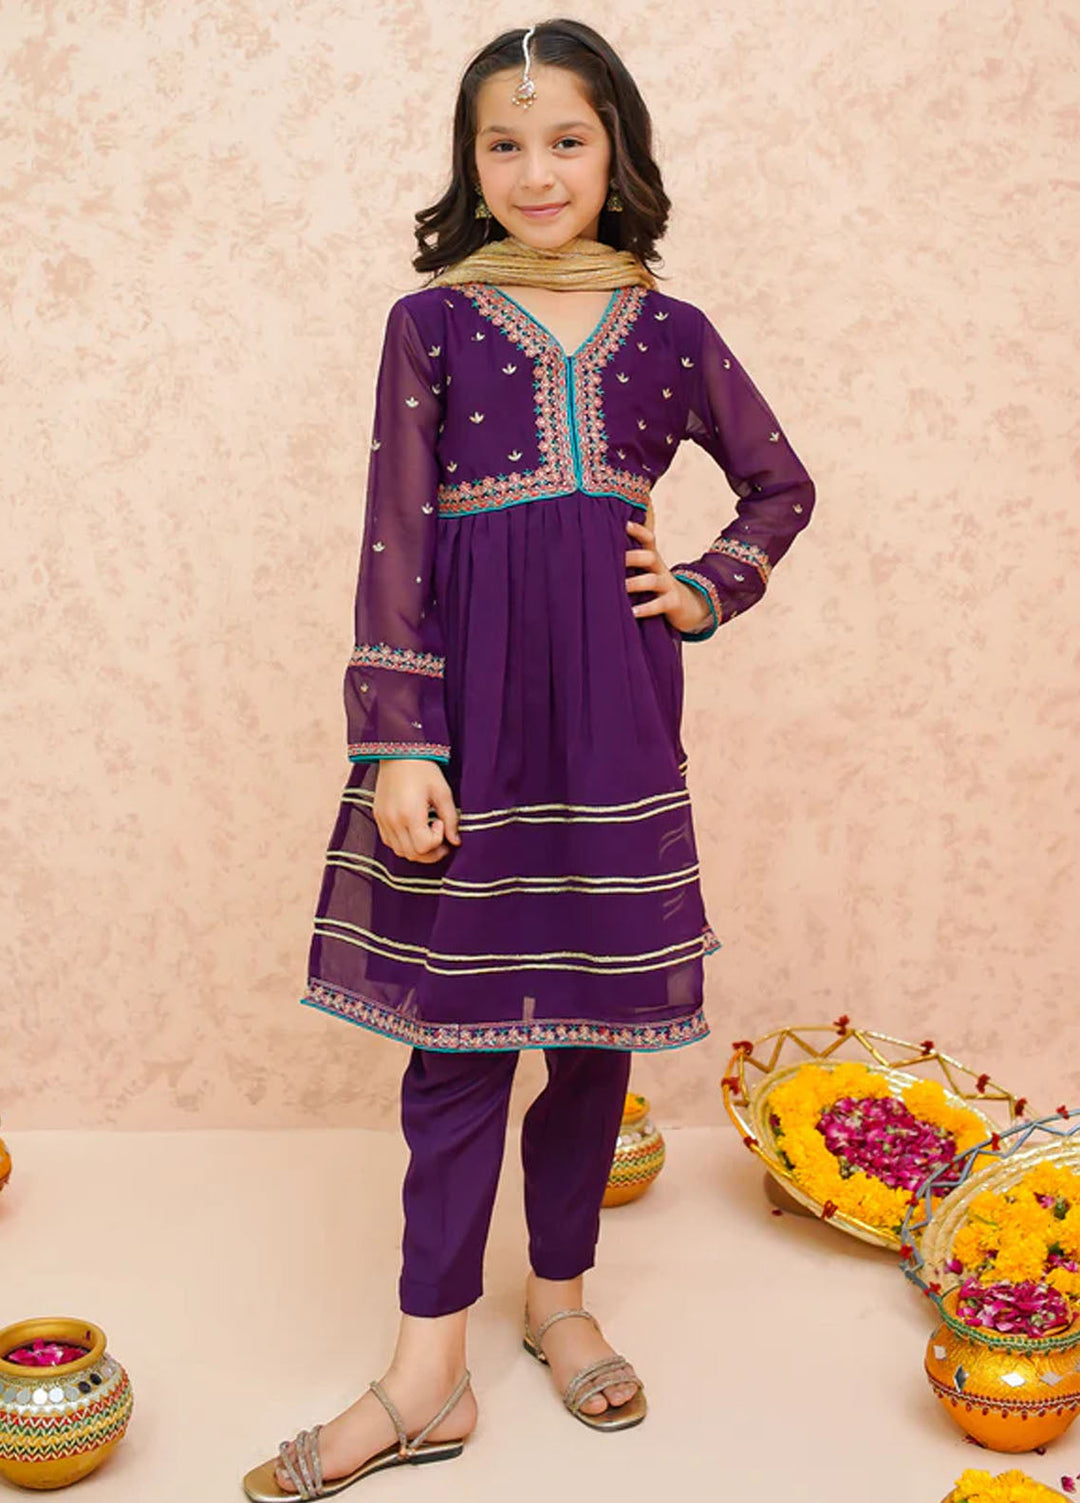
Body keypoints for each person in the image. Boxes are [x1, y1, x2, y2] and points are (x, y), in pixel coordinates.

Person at [243, 18, 815, 1501]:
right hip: (470, 722)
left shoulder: (672, 333)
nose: (536, 171)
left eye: (566, 139)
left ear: (616, 150)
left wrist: (704, 586)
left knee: (592, 1039)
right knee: (456, 1045)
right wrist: (398, 744)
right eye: (504, 144)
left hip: (618, 719)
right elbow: (394, 542)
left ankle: (560, 1302)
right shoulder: (429, 325)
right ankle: (426, 1368)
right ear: (470, 162)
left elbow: (780, 485)